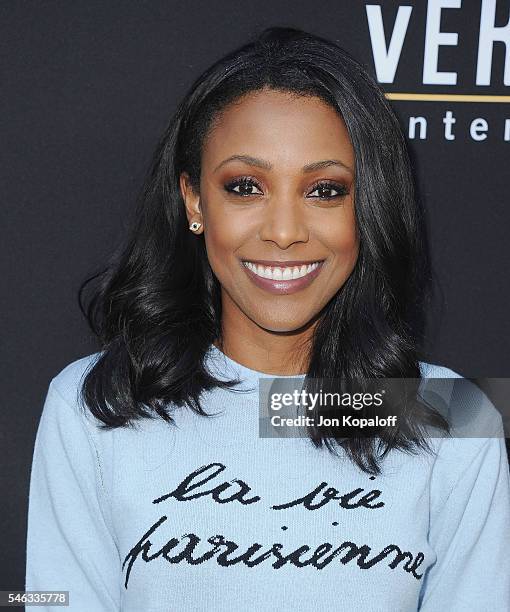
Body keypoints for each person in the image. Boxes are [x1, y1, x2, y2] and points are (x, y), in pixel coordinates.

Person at [25, 26, 510, 611]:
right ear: (194, 201)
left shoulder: (451, 416)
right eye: (246, 186)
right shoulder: (94, 404)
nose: (284, 231)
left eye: (326, 189)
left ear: (371, 207)